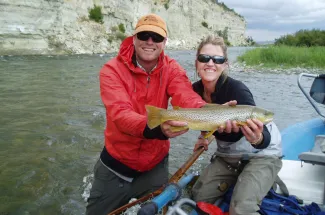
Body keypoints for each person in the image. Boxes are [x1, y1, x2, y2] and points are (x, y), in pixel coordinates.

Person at [86, 14, 210, 215]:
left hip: (155, 165)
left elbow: (186, 95)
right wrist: (158, 128)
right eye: (144, 35)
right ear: (134, 38)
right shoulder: (111, 71)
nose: (150, 41)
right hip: (115, 167)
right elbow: (121, 115)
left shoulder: (172, 69)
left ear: (164, 42)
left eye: (157, 37)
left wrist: (206, 112)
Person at [191, 35, 283, 215]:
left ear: (225, 64)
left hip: (261, 154)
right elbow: (202, 117)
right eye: (204, 58)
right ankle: (240, 180)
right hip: (228, 156)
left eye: (217, 59)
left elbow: (264, 136)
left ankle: (261, 177)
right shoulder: (194, 91)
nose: (210, 63)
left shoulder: (237, 90)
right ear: (196, 62)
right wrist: (203, 137)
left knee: (241, 209)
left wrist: (257, 138)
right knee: (198, 197)